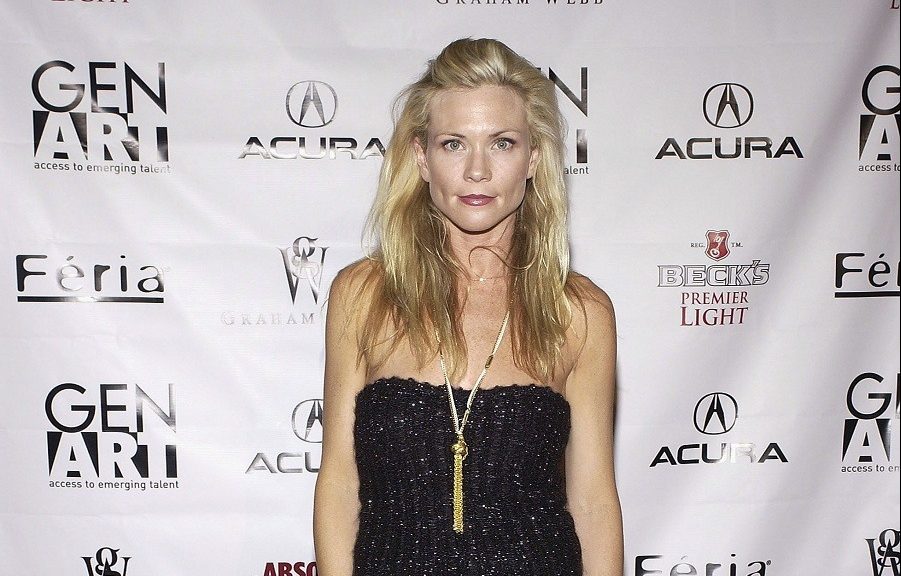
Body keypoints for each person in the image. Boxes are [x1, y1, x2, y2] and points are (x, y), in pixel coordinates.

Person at [313, 38, 623, 576]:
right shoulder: (363, 295)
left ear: (534, 158)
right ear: (421, 158)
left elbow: (594, 502)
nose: (477, 170)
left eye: (502, 143)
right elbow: (339, 483)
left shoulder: (579, 312)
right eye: (453, 144)